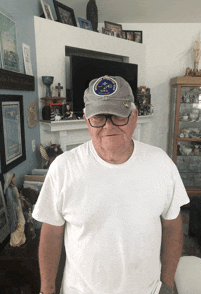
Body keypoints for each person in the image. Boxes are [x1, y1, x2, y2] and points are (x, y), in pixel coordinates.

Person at [33, 75, 189, 294]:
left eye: (117, 115)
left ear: (133, 117)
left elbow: (172, 226)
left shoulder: (160, 163)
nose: (108, 126)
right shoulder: (63, 168)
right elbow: (51, 233)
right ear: (87, 120)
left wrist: (167, 283)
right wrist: (47, 290)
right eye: (99, 117)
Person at [4, 172, 26, 247]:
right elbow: (10, 201)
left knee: (21, 222)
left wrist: (20, 197)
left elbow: (16, 194)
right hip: (15, 209)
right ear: (10, 178)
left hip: (18, 206)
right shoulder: (8, 189)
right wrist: (17, 206)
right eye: (14, 177)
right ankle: (16, 241)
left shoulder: (13, 185)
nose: (15, 179)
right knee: (18, 223)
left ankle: (20, 239)